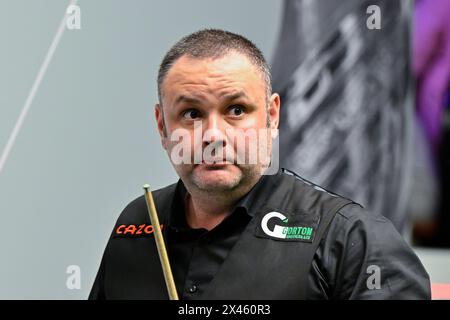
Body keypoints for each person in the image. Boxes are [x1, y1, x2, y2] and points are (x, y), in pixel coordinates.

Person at [89, 29, 431, 300]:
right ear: (162, 125)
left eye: (236, 110)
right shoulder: (136, 224)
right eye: (191, 114)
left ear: (271, 116)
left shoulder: (353, 239)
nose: (214, 136)